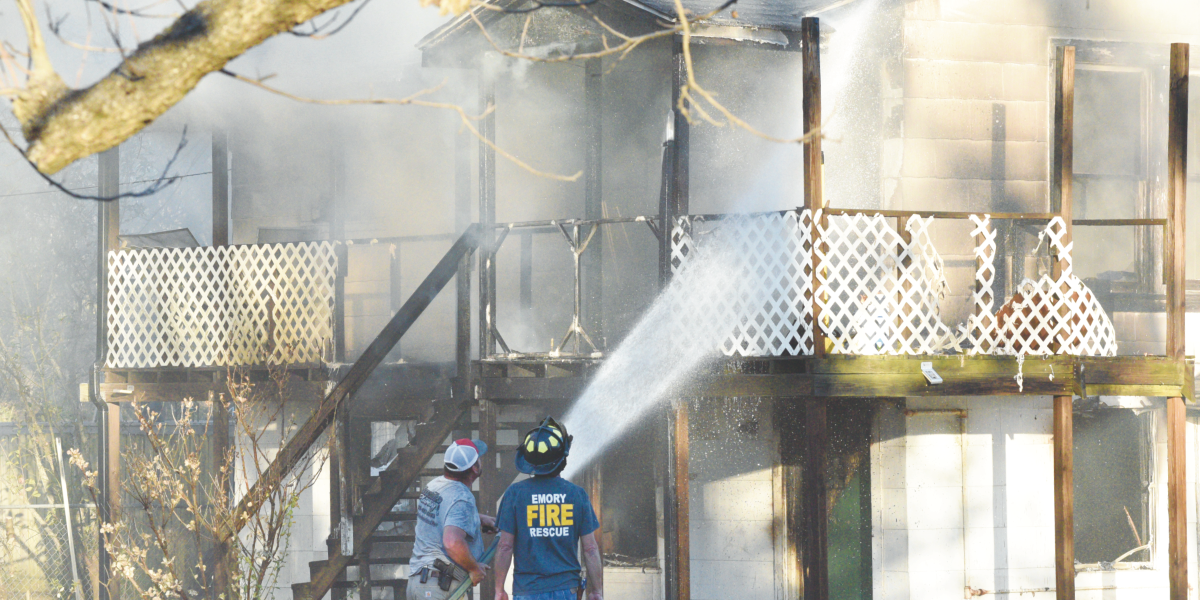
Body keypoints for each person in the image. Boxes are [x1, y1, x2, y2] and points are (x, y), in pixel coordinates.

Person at [494, 417, 603, 600]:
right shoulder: (577, 495)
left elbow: (505, 546)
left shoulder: (515, 493)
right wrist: (597, 590)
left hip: (527, 590)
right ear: (562, 458)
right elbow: (590, 549)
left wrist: (499, 590)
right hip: (566, 589)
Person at [408, 438, 497, 600]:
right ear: (475, 469)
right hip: (440, 586)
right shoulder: (462, 498)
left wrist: (477, 519)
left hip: (418, 583)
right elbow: (452, 542)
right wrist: (474, 568)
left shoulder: (434, 485)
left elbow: (444, 516)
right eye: (479, 458)